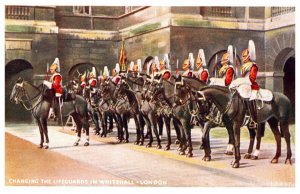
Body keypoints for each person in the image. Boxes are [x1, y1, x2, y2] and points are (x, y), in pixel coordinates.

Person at [230, 40, 259, 123]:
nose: (243, 58)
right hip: (244, 83)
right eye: (242, 56)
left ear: (249, 56)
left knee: (246, 94)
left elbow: (251, 79)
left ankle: (251, 116)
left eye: (244, 56)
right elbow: (242, 77)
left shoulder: (253, 66)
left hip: (251, 84)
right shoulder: (244, 66)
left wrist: (239, 81)